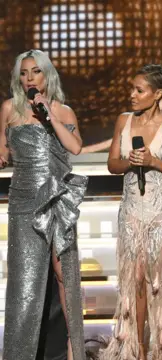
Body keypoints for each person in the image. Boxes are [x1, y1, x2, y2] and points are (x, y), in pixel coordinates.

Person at [100, 64, 162, 360]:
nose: (132, 95)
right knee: (136, 281)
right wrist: (131, 162)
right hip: (131, 211)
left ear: (157, 94)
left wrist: (154, 161)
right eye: (131, 88)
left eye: (139, 90)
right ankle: (139, 350)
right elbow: (112, 164)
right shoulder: (124, 121)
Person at [0, 49, 87, 360]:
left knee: (64, 274)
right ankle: (20, 352)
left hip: (56, 199)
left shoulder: (63, 111)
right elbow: (3, 153)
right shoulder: (9, 109)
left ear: (46, 75)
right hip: (23, 201)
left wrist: (49, 115)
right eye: (23, 73)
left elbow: (76, 147)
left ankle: (73, 348)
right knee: (24, 280)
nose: (28, 79)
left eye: (34, 72)